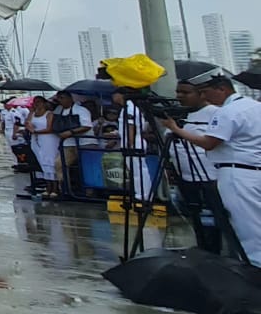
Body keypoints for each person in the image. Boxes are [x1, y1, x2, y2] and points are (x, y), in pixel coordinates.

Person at [161, 73, 261, 265]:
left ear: (222, 89)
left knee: (245, 226)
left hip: (237, 173)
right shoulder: (254, 106)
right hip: (254, 170)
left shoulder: (228, 111)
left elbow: (209, 143)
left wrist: (176, 129)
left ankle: (253, 267)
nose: (205, 97)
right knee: (255, 221)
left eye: (206, 92)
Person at [166, 77, 225, 253]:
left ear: (201, 94)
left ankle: (216, 252)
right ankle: (203, 249)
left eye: (186, 92)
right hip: (185, 176)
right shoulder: (179, 114)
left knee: (213, 219)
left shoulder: (215, 113)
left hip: (209, 176)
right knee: (195, 217)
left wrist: (177, 129)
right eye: (178, 92)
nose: (180, 96)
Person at [111, 88, 154, 206]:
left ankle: (144, 196)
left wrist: (130, 144)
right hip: (132, 141)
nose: (113, 97)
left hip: (134, 141)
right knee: (136, 170)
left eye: (114, 94)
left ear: (121, 95)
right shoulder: (127, 108)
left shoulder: (129, 108)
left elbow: (131, 127)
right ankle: (140, 194)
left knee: (139, 170)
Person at [52, 89, 93, 194]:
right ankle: (66, 190)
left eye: (62, 98)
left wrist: (70, 132)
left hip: (85, 143)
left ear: (69, 98)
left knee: (87, 168)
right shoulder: (58, 111)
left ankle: (90, 192)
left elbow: (87, 126)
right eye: (58, 99)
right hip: (68, 144)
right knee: (59, 164)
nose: (60, 101)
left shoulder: (81, 110)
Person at [28, 97, 60, 198]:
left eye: (39, 102)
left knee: (50, 162)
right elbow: (27, 123)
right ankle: (48, 187)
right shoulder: (33, 114)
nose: (37, 104)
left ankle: (55, 188)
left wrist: (36, 131)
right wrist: (31, 112)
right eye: (35, 102)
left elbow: (49, 128)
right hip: (37, 140)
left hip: (48, 139)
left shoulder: (49, 114)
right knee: (42, 162)